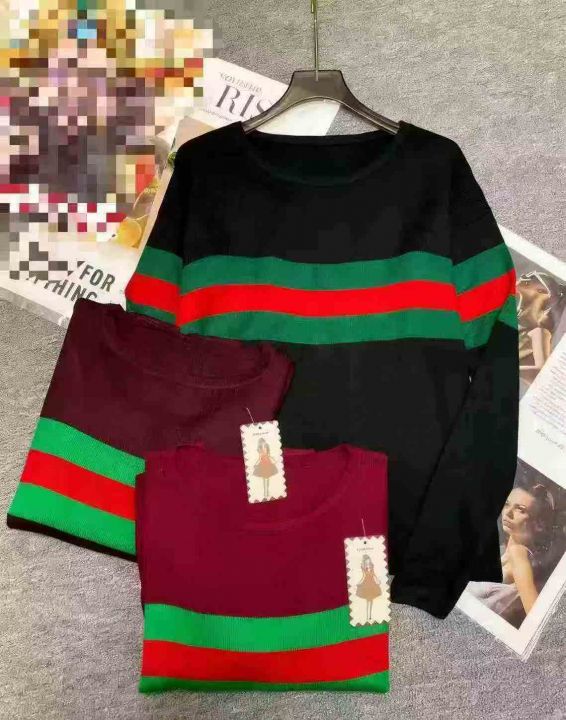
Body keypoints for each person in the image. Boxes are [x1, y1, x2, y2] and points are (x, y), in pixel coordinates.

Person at [468, 479, 556, 628]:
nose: (507, 513)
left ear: (539, 524)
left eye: (520, 509)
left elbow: (538, 621)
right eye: (507, 504)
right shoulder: (503, 551)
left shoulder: (518, 554)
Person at [356, 554, 382, 622]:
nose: (368, 564)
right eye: (366, 563)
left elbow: (374, 574)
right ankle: (367, 616)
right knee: (368, 601)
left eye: (369, 562)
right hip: (366, 585)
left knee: (371, 600)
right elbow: (363, 576)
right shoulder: (363, 568)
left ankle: (370, 616)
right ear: (364, 563)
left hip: (373, 585)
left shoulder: (372, 566)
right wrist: (359, 582)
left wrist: (378, 580)